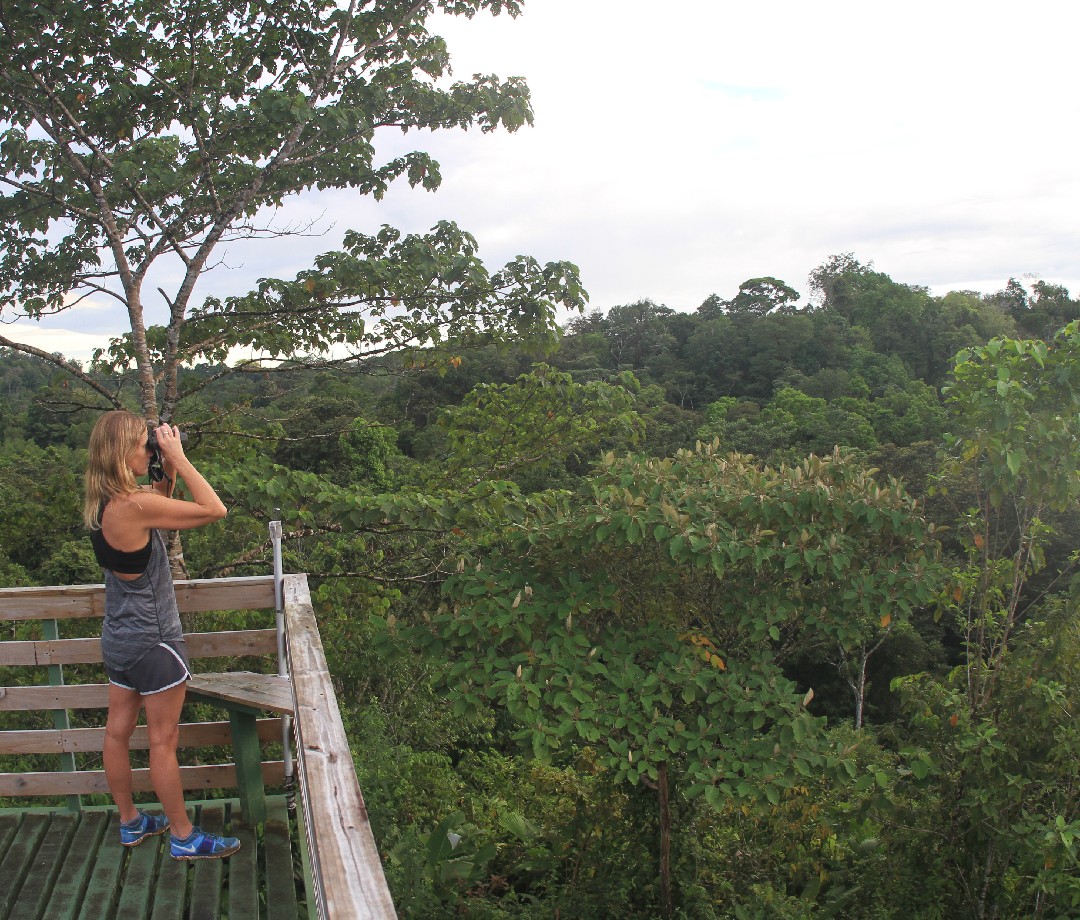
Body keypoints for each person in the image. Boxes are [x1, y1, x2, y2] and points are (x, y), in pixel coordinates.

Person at [84, 410, 238, 860]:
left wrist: (163, 466)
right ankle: (184, 835)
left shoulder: (103, 503)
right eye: (141, 445)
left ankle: (131, 823)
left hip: (119, 639)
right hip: (155, 642)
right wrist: (179, 455)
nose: (145, 451)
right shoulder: (134, 505)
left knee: (116, 734)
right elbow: (214, 509)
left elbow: (159, 503)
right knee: (162, 743)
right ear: (119, 452)